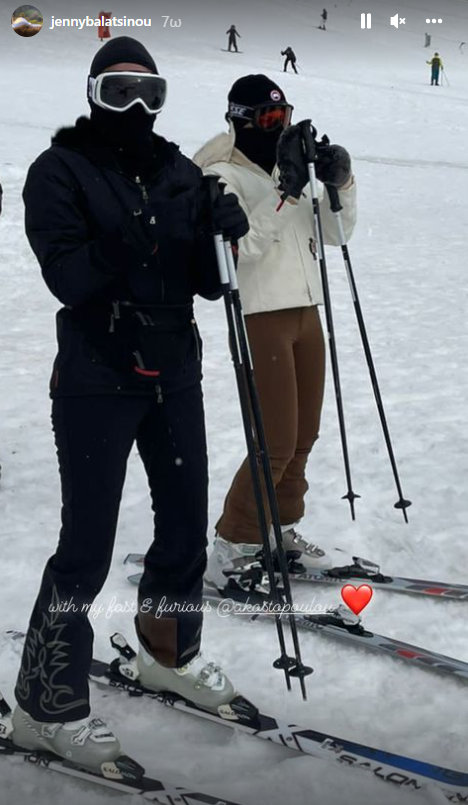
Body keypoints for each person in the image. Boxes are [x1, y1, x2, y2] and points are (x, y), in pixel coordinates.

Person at [11, 36, 249, 772]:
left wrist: (220, 234)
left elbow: (209, 285)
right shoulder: (60, 171)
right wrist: (133, 235)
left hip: (173, 369)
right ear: (92, 96)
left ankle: (166, 651)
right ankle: (43, 707)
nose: (138, 108)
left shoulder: (178, 170)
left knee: (183, 525)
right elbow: (70, 276)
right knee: (86, 546)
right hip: (96, 375)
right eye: (120, 94)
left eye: (151, 93)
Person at [192, 74, 357, 592]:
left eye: (283, 118)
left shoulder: (293, 172)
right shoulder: (221, 175)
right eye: (267, 119)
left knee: (304, 436)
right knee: (275, 441)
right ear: (240, 119)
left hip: (308, 311)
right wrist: (285, 189)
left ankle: (280, 529)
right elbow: (243, 251)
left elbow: (336, 232)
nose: (278, 126)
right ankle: (232, 546)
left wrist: (340, 183)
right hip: (263, 316)